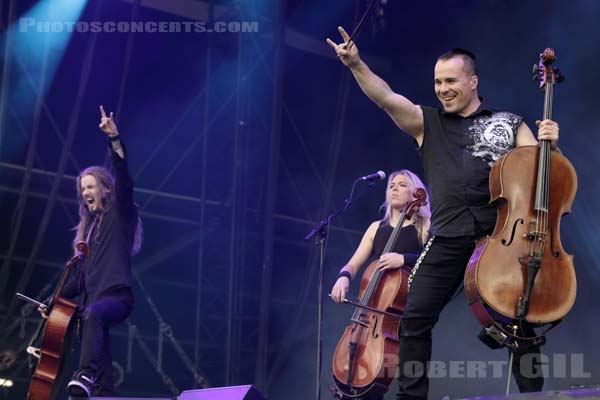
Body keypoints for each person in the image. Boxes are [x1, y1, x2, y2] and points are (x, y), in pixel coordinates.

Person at [327, 26, 558, 399]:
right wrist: (356, 65)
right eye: (437, 82)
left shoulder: (510, 123)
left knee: (517, 320)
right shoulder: (427, 123)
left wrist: (552, 147)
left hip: (497, 236)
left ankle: (534, 396)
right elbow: (386, 98)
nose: (442, 88)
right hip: (446, 238)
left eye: (450, 80)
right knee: (413, 319)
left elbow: (543, 179)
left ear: (472, 81)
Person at [40, 105, 142, 397]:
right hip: (91, 309)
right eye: (82, 189)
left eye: (90, 187)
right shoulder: (90, 232)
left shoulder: (120, 213)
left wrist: (114, 139)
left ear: (106, 190)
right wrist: (52, 301)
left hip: (116, 298)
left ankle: (83, 375)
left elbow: (124, 177)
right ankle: (99, 391)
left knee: (93, 317)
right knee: (102, 368)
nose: (85, 193)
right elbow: (77, 280)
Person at [330, 169, 430, 303]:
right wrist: (343, 277)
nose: (395, 188)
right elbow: (352, 265)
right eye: (391, 186)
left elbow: (435, 260)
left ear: (415, 194)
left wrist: (404, 259)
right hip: (375, 305)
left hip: (410, 305)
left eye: (402, 185)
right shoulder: (375, 228)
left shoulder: (425, 225)